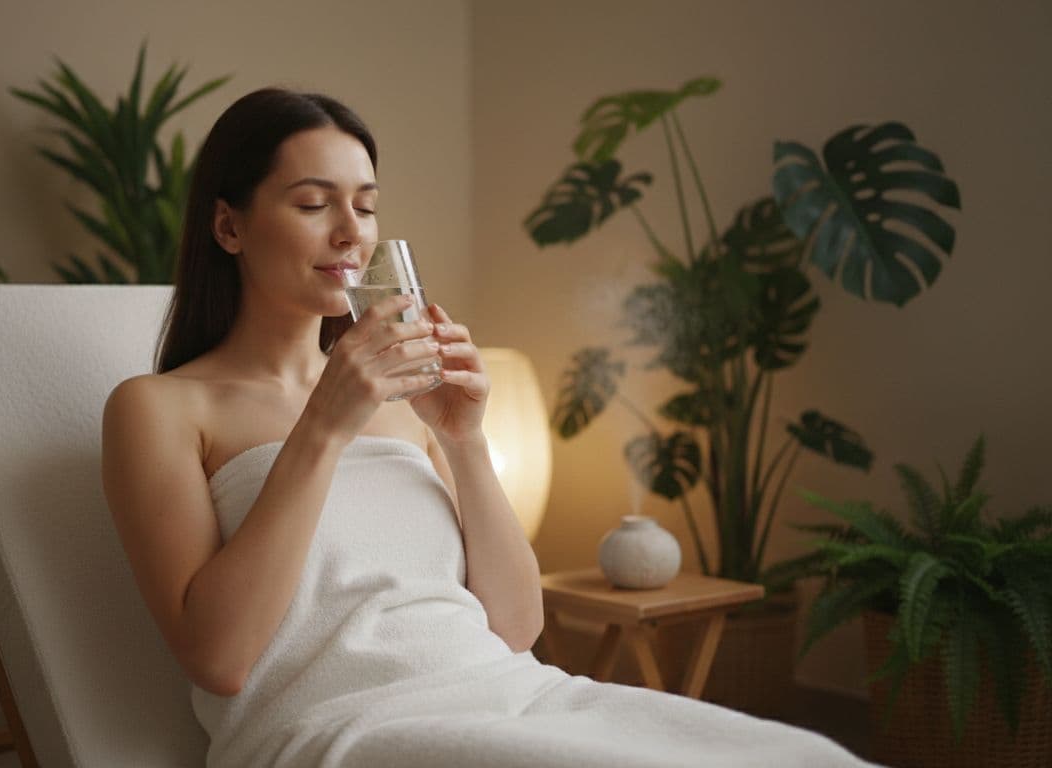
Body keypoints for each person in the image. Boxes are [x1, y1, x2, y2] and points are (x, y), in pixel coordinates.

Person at [101, 88, 874, 768]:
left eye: (366, 206)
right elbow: (220, 659)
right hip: (343, 733)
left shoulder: (404, 399)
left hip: (513, 695)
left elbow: (515, 628)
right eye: (313, 204)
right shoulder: (160, 409)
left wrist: (465, 439)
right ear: (229, 228)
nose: (351, 233)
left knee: (795, 754)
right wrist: (322, 431)